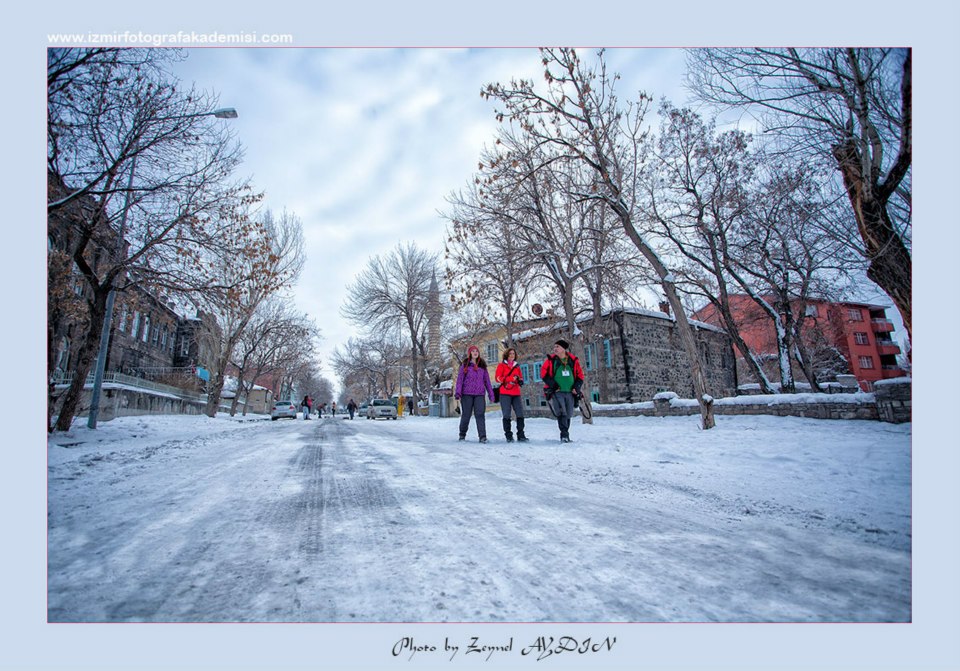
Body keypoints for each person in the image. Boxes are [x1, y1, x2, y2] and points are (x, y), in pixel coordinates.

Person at [541, 338, 585, 443]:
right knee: (561, 412)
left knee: (568, 413)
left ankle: (565, 433)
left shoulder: (573, 361)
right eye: (554, 347)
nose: (555, 349)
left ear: (564, 349)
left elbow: (580, 376)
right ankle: (564, 435)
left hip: (570, 392)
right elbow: (543, 375)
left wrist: (576, 387)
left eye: (557, 347)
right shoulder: (551, 361)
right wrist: (554, 385)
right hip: (557, 392)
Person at [454, 345, 495, 443]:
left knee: (480, 414)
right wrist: (458, 392)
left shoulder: (482, 366)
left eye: (477, 351)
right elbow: (460, 380)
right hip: (466, 394)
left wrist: (491, 394)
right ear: (470, 353)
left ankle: (482, 436)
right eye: (473, 351)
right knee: (466, 415)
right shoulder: (465, 365)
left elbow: (487, 381)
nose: (475, 352)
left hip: (479, 394)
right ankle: (462, 435)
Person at [495, 347, 528, 443]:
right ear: (506, 355)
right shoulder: (501, 366)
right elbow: (498, 378)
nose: (512, 355)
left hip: (516, 392)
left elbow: (520, 377)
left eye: (513, 354)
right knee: (506, 414)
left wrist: (520, 381)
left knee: (520, 413)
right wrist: (510, 379)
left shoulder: (517, 366)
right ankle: (508, 435)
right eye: (510, 354)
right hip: (505, 393)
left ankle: (521, 434)